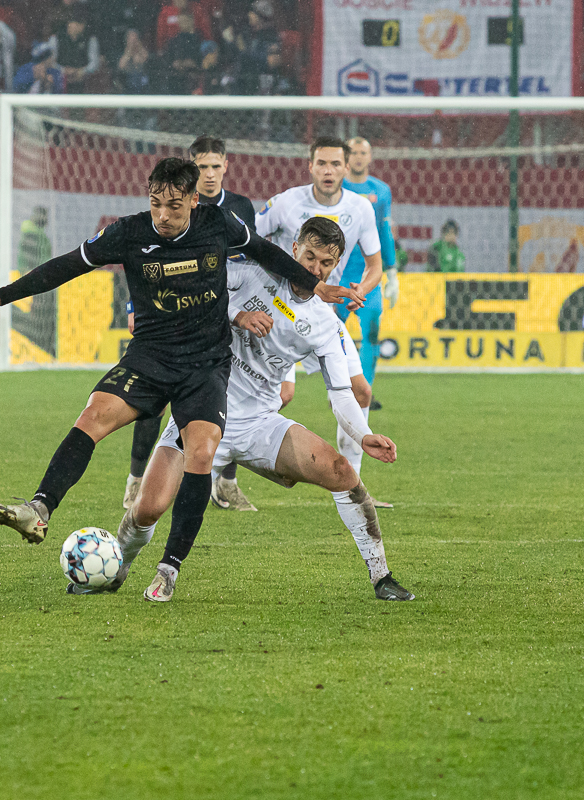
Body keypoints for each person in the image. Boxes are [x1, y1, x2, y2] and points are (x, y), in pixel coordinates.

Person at [0, 158, 361, 599]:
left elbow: (266, 252)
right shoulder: (129, 232)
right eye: (156, 204)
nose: (163, 216)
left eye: (174, 207)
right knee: (94, 415)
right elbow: (67, 265)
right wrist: (2, 296)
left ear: (193, 202)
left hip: (204, 365)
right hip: (149, 356)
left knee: (201, 452)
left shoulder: (218, 222)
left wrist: (311, 285)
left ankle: (169, 567)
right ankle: (39, 507)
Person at [109, 217, 414, 603]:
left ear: (335, 266)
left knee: (342, 471)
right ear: (294, 250)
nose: (314, 268)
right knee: (147, 509)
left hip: (260, 425)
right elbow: (194, 292)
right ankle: (116, 566)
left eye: (325, 263)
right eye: (309, 256)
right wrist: (237, 314)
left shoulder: (326, 325)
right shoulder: (253, 273)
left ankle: (381, 576)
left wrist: (363, 434)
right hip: (202, 411)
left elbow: (340, 393)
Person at [125, 134, 259, 512]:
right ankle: (137, 479)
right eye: (202, 167)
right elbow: (142, 259)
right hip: (174, 313)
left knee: (225, 397)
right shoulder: (171, 210)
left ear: (227, 167)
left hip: (224, 313)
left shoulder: (239, 208)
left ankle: (225, 483)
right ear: (191, 169)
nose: (210, 174)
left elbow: (251, 261)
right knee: (153, 399)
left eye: (216, 166)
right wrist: (133, 304)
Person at [254, 137, 388, 504]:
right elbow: (248, 241)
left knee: (360, 392)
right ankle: (221, 464)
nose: (328, 171)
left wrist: (363, 288)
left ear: (347, 168)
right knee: (283, 394)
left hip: (321, 316)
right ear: (309, 165)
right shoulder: (285, 203)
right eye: (321, 163)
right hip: (277, 313)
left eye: (335, 164)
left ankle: (353, 491)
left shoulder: (360, 208)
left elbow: (376, 265)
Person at [342, 137, 398, 406]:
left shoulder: (381, 191)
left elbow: (385, 232)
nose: (358, 157)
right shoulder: (334, 187)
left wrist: (392, 272)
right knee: (328, 337)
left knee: (371, 333)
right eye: (353, 152)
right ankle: (340, 391)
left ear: (370, 156)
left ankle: (365, 390)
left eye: (363, 152)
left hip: (368, 275)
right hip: (336, 275)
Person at [49, 12, 100, 93]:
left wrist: (81, 71)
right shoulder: (56, 38)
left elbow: (94, 63)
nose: (70, 26)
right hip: (60, 78)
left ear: (82, 25)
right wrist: (63, 70)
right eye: (70, 23)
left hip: (83, 79)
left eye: (76, 24)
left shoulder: (91, 40)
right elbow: (50, 61)